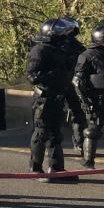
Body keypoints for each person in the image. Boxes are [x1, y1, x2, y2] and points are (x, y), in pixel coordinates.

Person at [26, 18, 79, 183]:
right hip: (44, 98)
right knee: (40, 133)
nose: (64, 36)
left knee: (55, 134)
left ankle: (56, 169)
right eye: (61, 32)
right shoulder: (40, 50)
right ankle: (35, 169)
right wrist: (52, 75)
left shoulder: (59, 50)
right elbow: (32, 76)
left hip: (57, 97)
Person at [72, 24, 104, 169]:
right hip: (96, 98)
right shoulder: (87, 56)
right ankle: (88, 160)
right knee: (92, 130)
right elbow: (77, 81)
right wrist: (85, 101)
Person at [59, 18, 88, 158]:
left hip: (67, 83)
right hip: (67, 83)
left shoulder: (75, 47)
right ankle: (78, 144)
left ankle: (78, 143)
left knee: (77, 114)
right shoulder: (77, 47)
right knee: (77, 114)